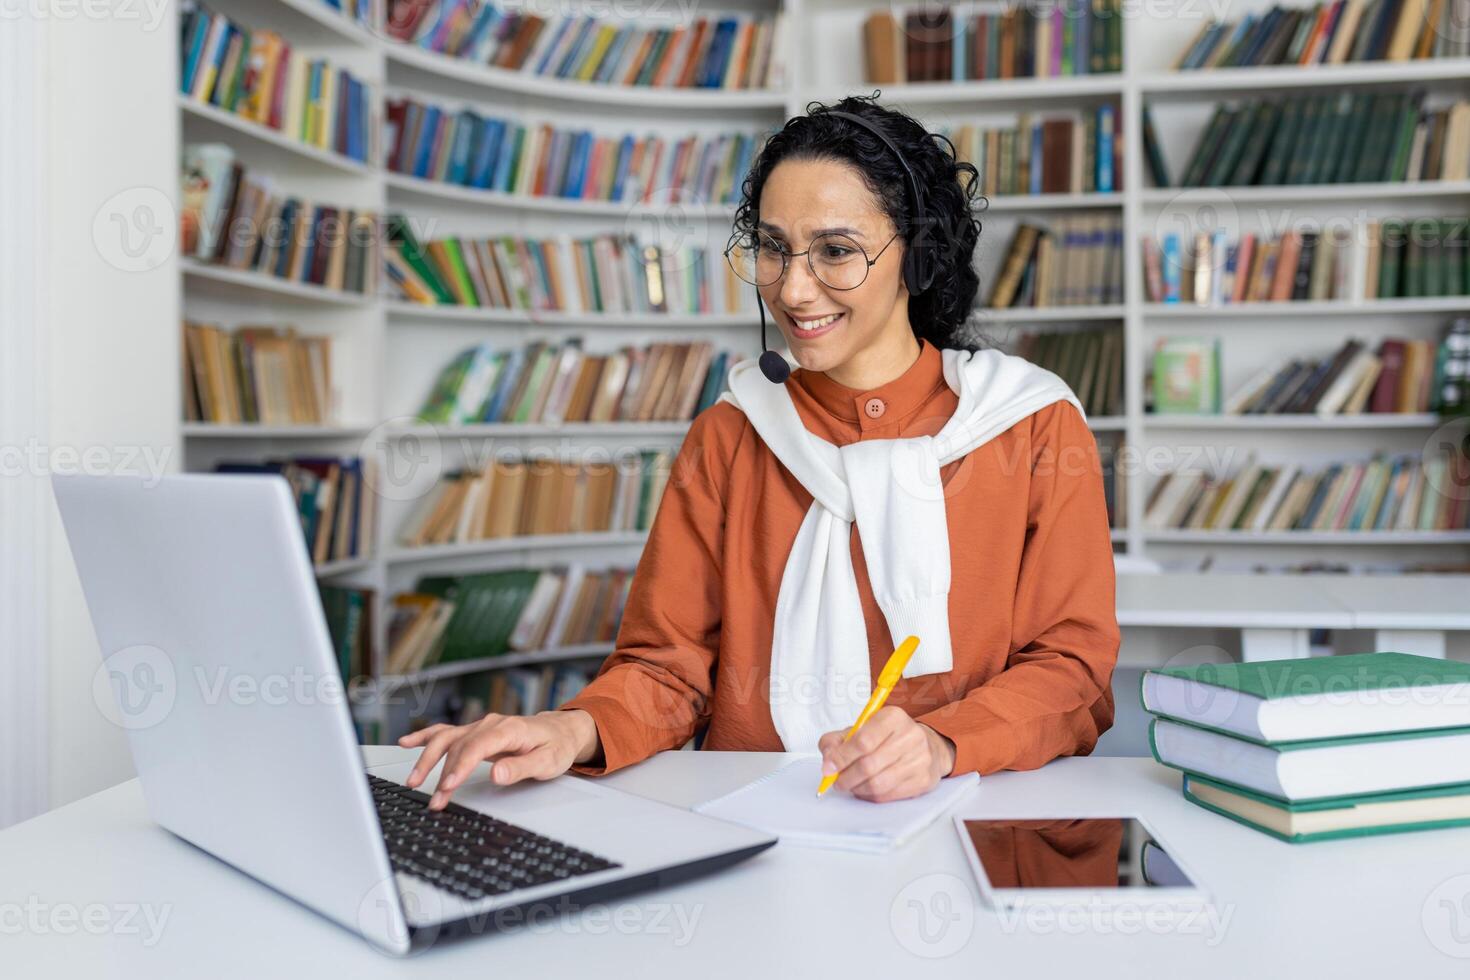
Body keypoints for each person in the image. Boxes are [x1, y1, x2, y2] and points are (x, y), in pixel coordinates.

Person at [401, 94, 1120, 807]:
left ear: (920, 254)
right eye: (773, 248)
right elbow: (668, 668)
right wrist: (574, 727)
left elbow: (1071, 669)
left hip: (968, 816)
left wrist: (943, 744)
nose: (795, 289)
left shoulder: (1031, 423)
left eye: (837, 251)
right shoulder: (732, 431)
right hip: (752, 828)